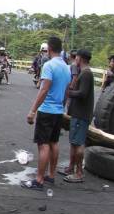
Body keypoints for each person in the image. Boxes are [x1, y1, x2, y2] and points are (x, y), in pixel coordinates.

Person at [22, 36, 71, 191]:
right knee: (54, 143)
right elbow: (66, 91)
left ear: (49, 49)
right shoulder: (66, 67)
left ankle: (39, 180)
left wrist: (32, 110)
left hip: (47, 110)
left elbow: (44, 89)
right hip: (58, 111)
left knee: (43, 146)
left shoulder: (49, 65)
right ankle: (51, 175)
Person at [62, 49, 94, 183]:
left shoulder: (86, 74)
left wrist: (69, 92)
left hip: (81, 114)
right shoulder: (84, 73)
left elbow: (83, 93)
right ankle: (71, 168)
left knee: (79, 143)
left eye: (77, 57)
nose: (75, 59)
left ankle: (79, 172)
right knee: (74, 142)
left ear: (80, 58)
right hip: (78, 113)